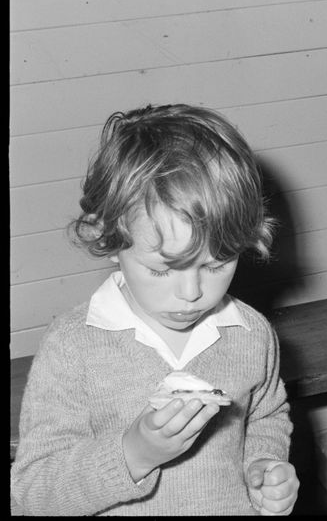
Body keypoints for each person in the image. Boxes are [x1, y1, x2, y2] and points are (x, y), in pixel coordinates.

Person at [10, 104, 299, 516]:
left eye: (216, 264)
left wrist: (264, 466)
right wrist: (133, 455)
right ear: (108, 237)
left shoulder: (250, 333)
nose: (191, 293)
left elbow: (266, 415)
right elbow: (32, 492)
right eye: (163, 269)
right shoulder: (73, 348)